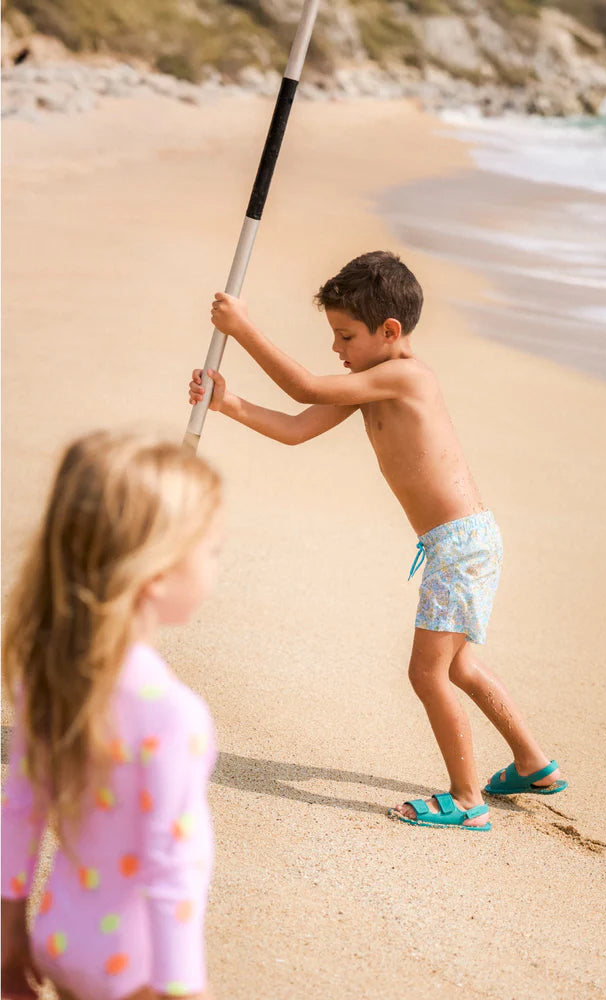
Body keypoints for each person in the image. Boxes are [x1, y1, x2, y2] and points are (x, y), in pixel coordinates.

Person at [189, 250, 566, 832]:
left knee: (427, 674)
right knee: (459, 667)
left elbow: (303, 384)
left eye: (345, 335)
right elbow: (296, 427)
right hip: (460, 544)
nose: (337, 349)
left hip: (460, 545)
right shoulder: (369, 382)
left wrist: (242, 329)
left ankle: (467, 801)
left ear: (390, 331)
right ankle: (534, 763)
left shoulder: (407, 375)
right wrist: (227, 403)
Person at [1, 431, 223, 999]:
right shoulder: (174, 715)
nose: (218, 565)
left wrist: (6, 938)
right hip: (136, 965)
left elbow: (21, 808)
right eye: (212, 550)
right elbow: (170, 864)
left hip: (61, 934)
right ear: (157, 574)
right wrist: (180, 989)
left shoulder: (49, 674)